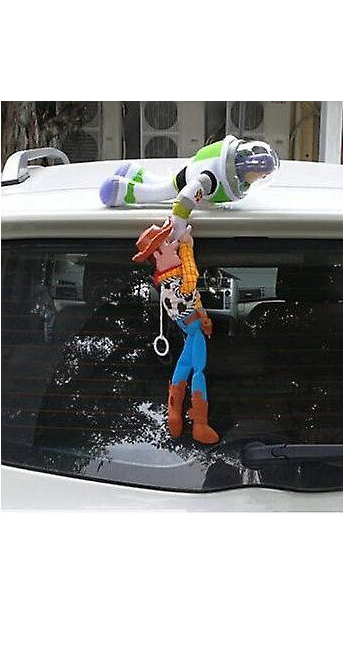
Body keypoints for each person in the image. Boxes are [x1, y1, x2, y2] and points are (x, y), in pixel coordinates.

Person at [132, 222, 218, 444]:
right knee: (198, 370)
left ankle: (174, 414)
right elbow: (191, 275)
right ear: (158, 255)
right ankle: (200, 424)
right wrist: (187, 247)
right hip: (194, 330)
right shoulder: (178, 285)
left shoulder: (165, 286)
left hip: (189, 327)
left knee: (183, 366)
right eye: (168, 246)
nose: (174, 247)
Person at [100, 135, 280, 241]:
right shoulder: (211, 179)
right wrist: (178, 230)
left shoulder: (227, 177)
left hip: (189, 172)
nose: (262, 178)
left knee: (162, 183)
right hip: (185, 179)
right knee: (160, 191)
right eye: (261, 174)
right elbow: (185, 199)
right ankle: (121, 191)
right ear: (248, 167)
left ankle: (133, 173)